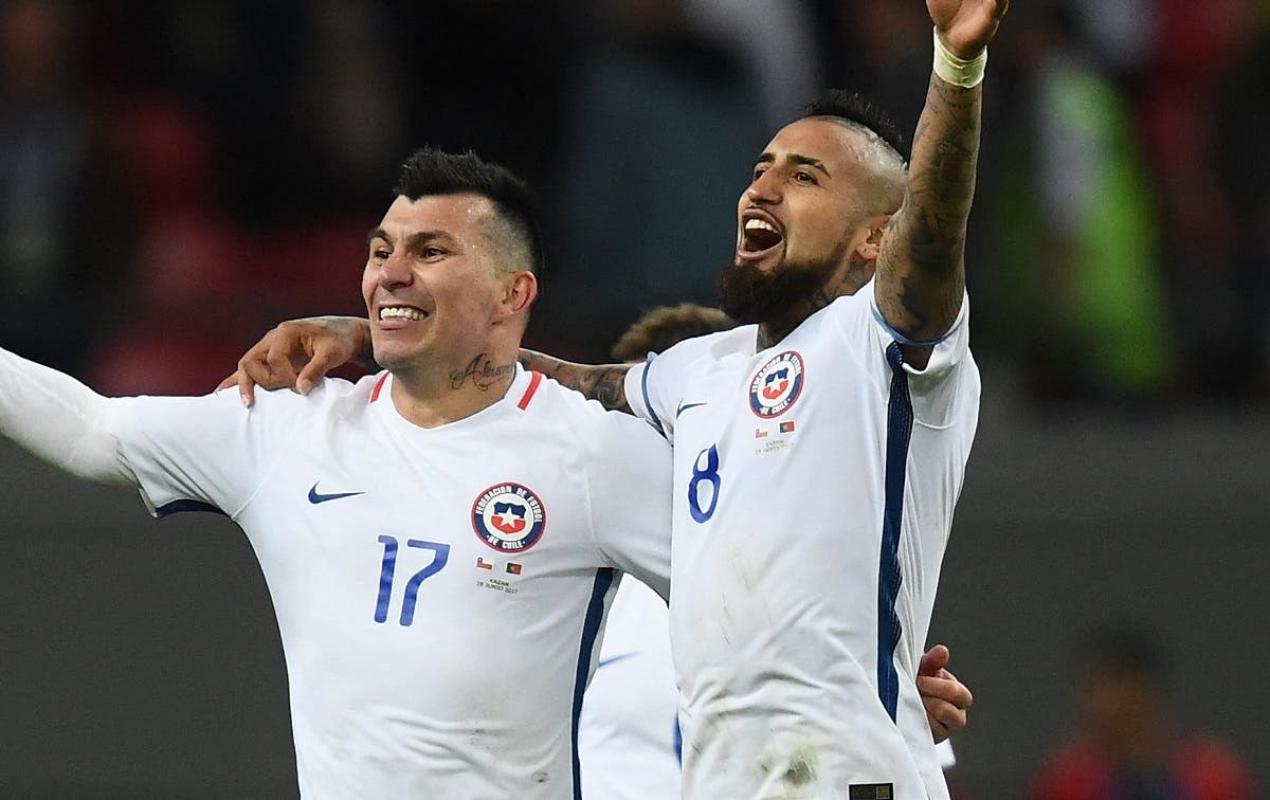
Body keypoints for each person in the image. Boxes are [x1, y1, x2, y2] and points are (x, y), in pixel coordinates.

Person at [228, 1, 1001, 794]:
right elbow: (560, 383)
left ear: (876, 237)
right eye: (759, 170)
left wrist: (955, 67)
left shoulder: (880, 346)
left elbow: (932, 238)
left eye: (804, 177)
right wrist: (384, 335)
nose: (762, 189)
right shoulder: (699, 371)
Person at [0, 147, 680, 799]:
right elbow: (91, 430)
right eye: (381, 251)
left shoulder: (593, 454)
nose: (391, 272)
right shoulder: (291, 428)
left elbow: (732, 592)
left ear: (512, 293)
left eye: (430, 252)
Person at [580, 305, 964, 800]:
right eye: (637, 422)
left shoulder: (816, 587)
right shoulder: (580, 593)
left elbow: (885, 751)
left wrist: (895, 713)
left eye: (674, 420)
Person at [1027, 625, 1259, 800]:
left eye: (1114, 685)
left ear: (1145, 688)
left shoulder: (1212, 775)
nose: (1102, 702)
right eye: (1093, 688)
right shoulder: (1068, 778)